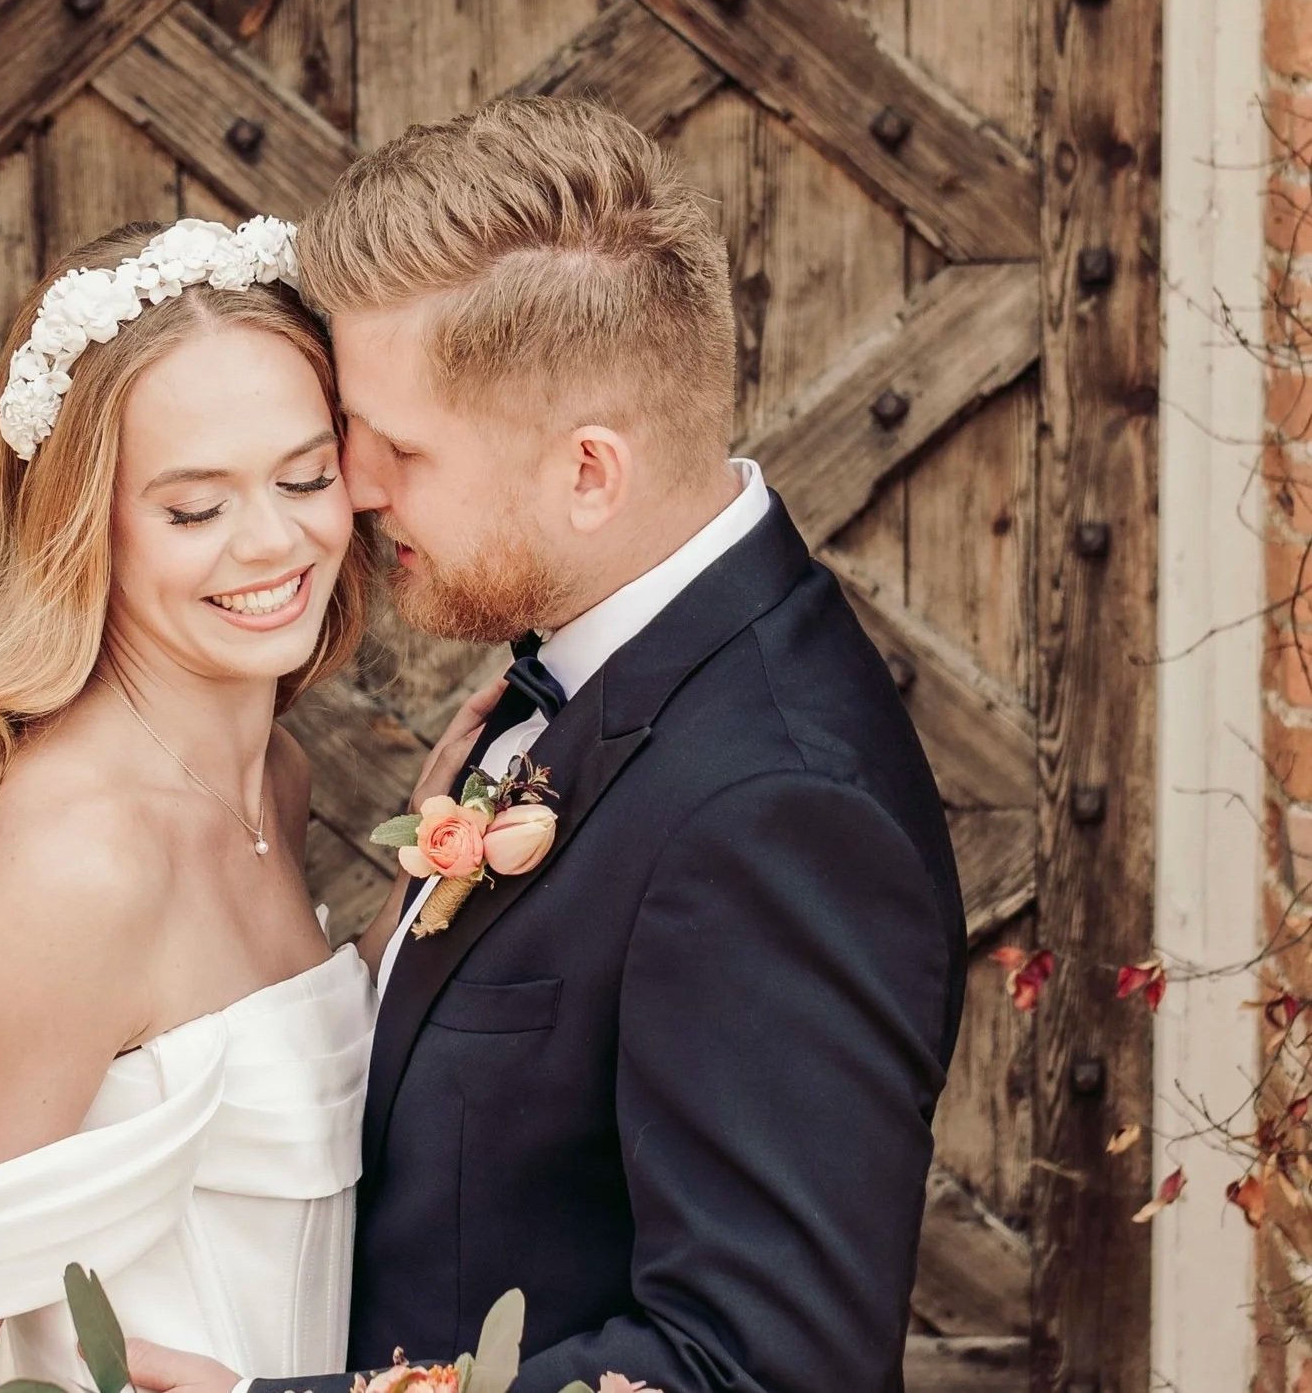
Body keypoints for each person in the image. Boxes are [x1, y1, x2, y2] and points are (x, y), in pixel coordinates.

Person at [124, 97, 967, 1393]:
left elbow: (757, 1372)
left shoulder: (775, 810)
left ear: (588, 473)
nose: (348, 486)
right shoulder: (595, 667)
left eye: (397, 446)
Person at [0, 217, 389, 1392]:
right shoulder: (77, 864)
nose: (275, 540)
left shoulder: (274, 781)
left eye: (305, 475)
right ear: (85, 527)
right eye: (196, 508)